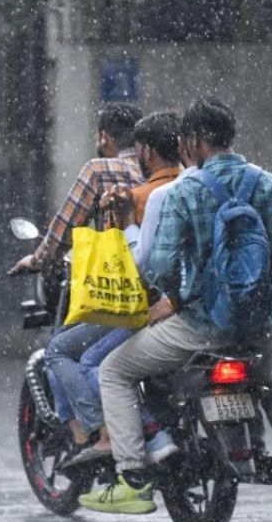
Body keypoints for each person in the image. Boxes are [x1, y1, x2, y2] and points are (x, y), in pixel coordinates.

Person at [80, 96, 272, 516]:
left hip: (199, 327)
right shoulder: (271, 186)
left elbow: (158, 266)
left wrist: (176, 295)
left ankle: (131, 480)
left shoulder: (185, 192)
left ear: (194, 140)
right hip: (258, 325)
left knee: (113, 370)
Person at [7, 103, 145, 455]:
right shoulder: (162, 171)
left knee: (59, 351)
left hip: (122, 293)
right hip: (169, 295)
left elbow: (65, 227)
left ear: (104, 136)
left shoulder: (99, 170)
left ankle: (96, 434)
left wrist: (38, 259)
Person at [54, 111, 185, 469]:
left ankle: (115, 439)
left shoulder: (140, 194)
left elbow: (143, 264)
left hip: (150, 306)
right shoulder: (198, 186)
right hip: (203, 308)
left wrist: (124, 220)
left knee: (86, 360)